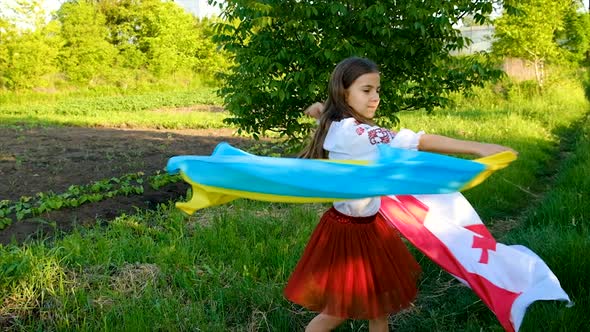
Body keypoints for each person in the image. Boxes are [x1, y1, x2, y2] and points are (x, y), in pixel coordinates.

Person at [283, 57, 516, 332]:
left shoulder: (339, 123)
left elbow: (328, 114)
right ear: (343, 92)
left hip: (365, 227)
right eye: (366, 90)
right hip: (349, 234)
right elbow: (419, 141)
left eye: (377, 90)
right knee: (337, 311)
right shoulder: (359, 133)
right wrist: (478, 147)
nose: (375, 98)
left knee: (378, 308)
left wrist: (318, 110)